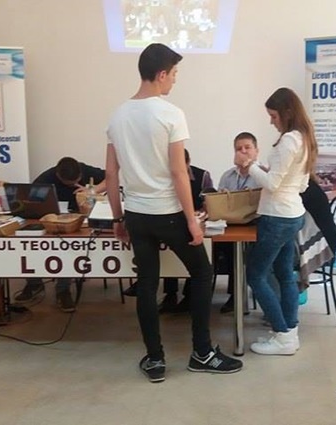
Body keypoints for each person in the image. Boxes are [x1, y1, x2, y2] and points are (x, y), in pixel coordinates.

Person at [105, 42, 242, 382]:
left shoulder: (118, 115)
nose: (176, 80)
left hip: (136, 215)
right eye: (175, 73)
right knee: (203, 274)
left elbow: (111, 173)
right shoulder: (170, 114)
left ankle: (155, 360)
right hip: (167, 213)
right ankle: (202, 353)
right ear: (162, 74)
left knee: (146, 284)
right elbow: (180, 172)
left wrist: (118, 218)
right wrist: (192, 221)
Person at [234, 87, 318, 356]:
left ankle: (283, 335)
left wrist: (250, 166)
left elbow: (272, 184)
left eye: (273, 116)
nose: (271, 121)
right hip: (292, 214)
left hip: (278, 216)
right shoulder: (304, 139)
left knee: (255, 275)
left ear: (286, 112)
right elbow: (299, 184)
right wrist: (260, 167)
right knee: (284, 275)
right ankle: (289, 333)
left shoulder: (289, 140)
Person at [14, 156, 105, 312]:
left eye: (75, 182)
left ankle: (63, 290)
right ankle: (34, 283)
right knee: (28, 243)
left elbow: (110, 177)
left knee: (66, 247)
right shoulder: (45, 178)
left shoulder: (84, 169)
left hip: (78, 220)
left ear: (80, 173)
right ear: (58, 175)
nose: (72, 186)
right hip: (52, 218)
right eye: (67, 184)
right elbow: (29, 201)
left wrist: (93, 190)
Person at [158, 148, 214, 313]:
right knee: (168, 250)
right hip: (172, 222)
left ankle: (190, 296)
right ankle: (170, 295)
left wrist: (199, 213)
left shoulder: (202, 176)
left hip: (197, 224)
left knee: (198, 256)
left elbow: (210, 203)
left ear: (188, 163)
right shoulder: (165, 177)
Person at [215, 131, 262, 313]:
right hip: (231, 225)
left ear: (256, 151)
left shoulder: (264, 174)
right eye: (238, 149)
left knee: (245, 252)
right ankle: (235, 295)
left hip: (256, 225)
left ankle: (241, 295)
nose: (243, 152)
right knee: (221, 248)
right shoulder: (227, 176)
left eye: (247, 148)